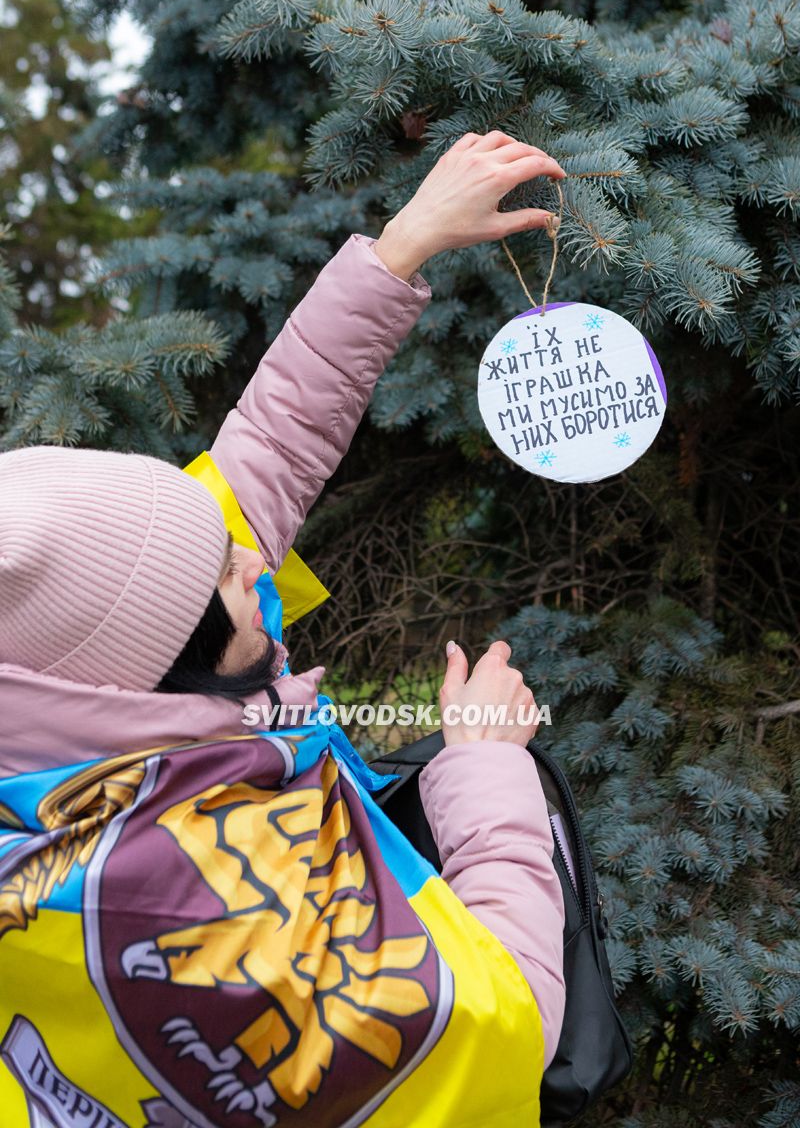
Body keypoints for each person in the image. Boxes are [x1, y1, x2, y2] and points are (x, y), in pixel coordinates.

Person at [0, 131, 567, 1127]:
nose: (254, 562)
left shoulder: (73, 682)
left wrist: (399, 248)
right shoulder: (187, 908)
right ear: (156, 669)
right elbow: (496, 1017)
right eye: (223, 574)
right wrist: (484, 762)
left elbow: (265, 451)